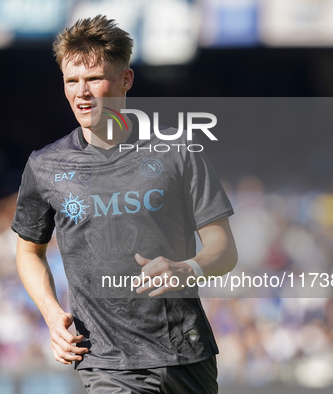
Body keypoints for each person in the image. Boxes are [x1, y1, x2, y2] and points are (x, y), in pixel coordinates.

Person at [12, 15, 237, 393]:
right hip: (106, 362)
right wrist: (52, 316)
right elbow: (28, 252)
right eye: (71, 82)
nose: (81, 93)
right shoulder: (45, 165)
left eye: (94, 79)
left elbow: (225, 250)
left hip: (186, 354)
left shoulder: (177, 154)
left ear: (126, 80)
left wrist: (187, 267)